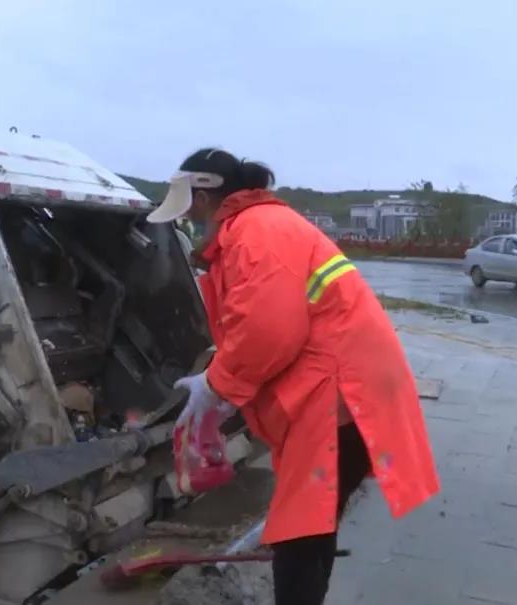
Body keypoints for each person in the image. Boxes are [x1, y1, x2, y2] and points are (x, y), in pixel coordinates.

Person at [147, 148, 440, 605]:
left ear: (203, 196)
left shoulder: (253, 232)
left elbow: (269, 330)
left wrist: (216, 385)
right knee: (312, 524)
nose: (189, 218)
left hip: (339, 394)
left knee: (298, 532)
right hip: (344, 385)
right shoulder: (262, 225)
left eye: (189, 207)